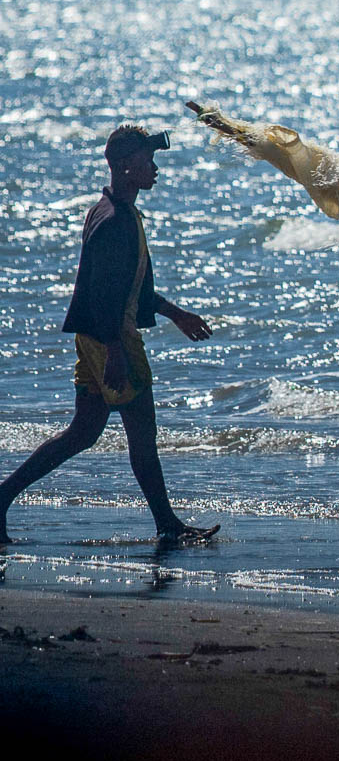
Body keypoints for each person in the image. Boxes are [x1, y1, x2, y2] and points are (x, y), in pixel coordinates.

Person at [0, 126, 218, 546]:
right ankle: (168, 524)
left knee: (83, 432)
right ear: (124, 167)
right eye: (147, 162)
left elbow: (131, 290)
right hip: (110, 338)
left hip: (97, 338)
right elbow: (100, 296)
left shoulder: (119, 212)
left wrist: (177, 314)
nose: (154, 169)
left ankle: (3, 496)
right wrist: (115, 352)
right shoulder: (114, 221)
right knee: (142, 432)